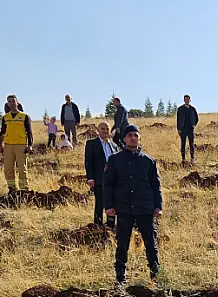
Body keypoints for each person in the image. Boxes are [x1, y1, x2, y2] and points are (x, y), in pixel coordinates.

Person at [104, 125, 162, 285]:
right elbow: (108, 184)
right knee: (122, 244)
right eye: (129, 135)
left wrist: (158, 206)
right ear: (123, 139)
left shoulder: (148, 161)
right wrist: (108, 206)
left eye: (136, 135)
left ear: (139, 138)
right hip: (123, 208)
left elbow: (156, 185)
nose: (133, 138)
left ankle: (156, 277)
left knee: (151, 243)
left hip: (145, 208)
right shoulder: (115, 160)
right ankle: (120, 278)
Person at [84, 122, 119, 227]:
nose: (105, 131)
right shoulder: (91, 144)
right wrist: (90, 177)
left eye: (107, 129)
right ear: (98, 130)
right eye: (102, 129)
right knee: (100, 203)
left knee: (113, 203)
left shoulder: (114, 145)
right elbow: (88, 162)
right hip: (99, 179)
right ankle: (98, 225)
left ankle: (110, 225)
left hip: (113, 180)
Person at [0, 94, 34, 190]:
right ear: (7, 104)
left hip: (21, 145)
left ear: (17, 102)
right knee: (8, 169)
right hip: (8, 145)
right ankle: (12, 189)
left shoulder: (24, 116)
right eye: (9, 102)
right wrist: (0, 145)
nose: (11, 103)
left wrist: (30, 145)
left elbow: (29, 132)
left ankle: (24, 190)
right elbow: (2, 132)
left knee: (22, 169)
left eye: (13, 101)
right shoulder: (5, 117)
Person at [176, 94, 199, 163]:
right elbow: (178, 119)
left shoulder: (192, 109)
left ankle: (192, 159)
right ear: (184, 100)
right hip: (183, 129)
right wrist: (178, 129)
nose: (187, 101)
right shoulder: (180, 109)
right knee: (183, 144)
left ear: (190, 100)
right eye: (185, 99)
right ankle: (183, 159)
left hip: (190, 129)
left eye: (188, 99)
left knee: (191, 144)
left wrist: (194, 125)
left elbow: (197, 118)